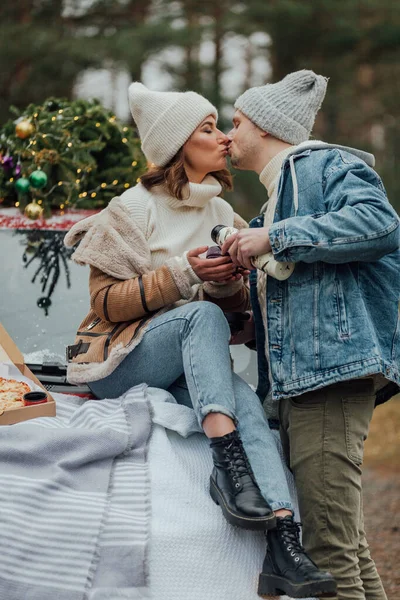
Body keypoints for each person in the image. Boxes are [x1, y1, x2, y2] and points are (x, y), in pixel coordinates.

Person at [64, 82, 336, 598]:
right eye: (209, 129)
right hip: (122, 362)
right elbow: (105, 303)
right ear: (177, 146)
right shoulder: (131, 208)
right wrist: (183, 276)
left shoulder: (223, 216)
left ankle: (284, 544)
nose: (225, 139)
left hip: (191, 365)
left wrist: (228, 286)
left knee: (247, 404)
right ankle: (227, 463)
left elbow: (233, 307)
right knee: (201, 322)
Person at [223, 69, 400, 600]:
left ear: (268, 126)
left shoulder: (325, 165)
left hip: (329, 375)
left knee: (327, 554)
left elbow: (381, 224)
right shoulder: (279, 195)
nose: (228, 136)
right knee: (346, 546)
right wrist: (245, 323)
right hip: (307, 381)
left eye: (236, 122)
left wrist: (273, 238)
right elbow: (306, 294)